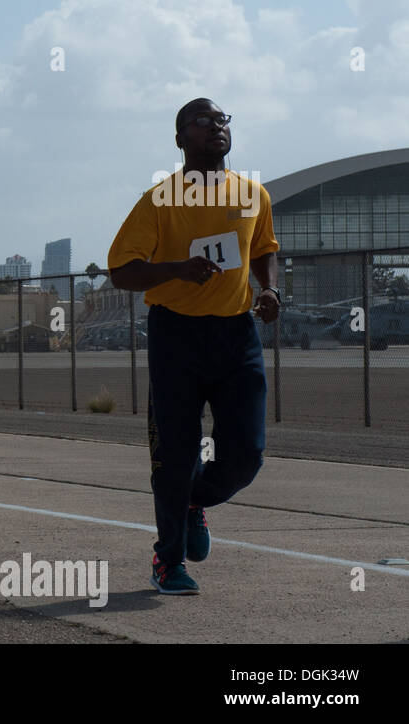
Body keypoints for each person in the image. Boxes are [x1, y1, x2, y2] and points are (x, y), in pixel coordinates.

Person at [107, 98, 279, 595]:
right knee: (175, 453)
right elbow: (122, 271)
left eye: (223, 121)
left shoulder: (253, 194)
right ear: (180, 138)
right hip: (176, 335)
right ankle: (169, 559)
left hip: (236, 335)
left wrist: (269, 289)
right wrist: (178, 269)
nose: (216, 129)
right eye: (203, 122)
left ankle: (191, 501)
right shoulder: (160, 200)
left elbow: (265, 247)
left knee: (246, 455)